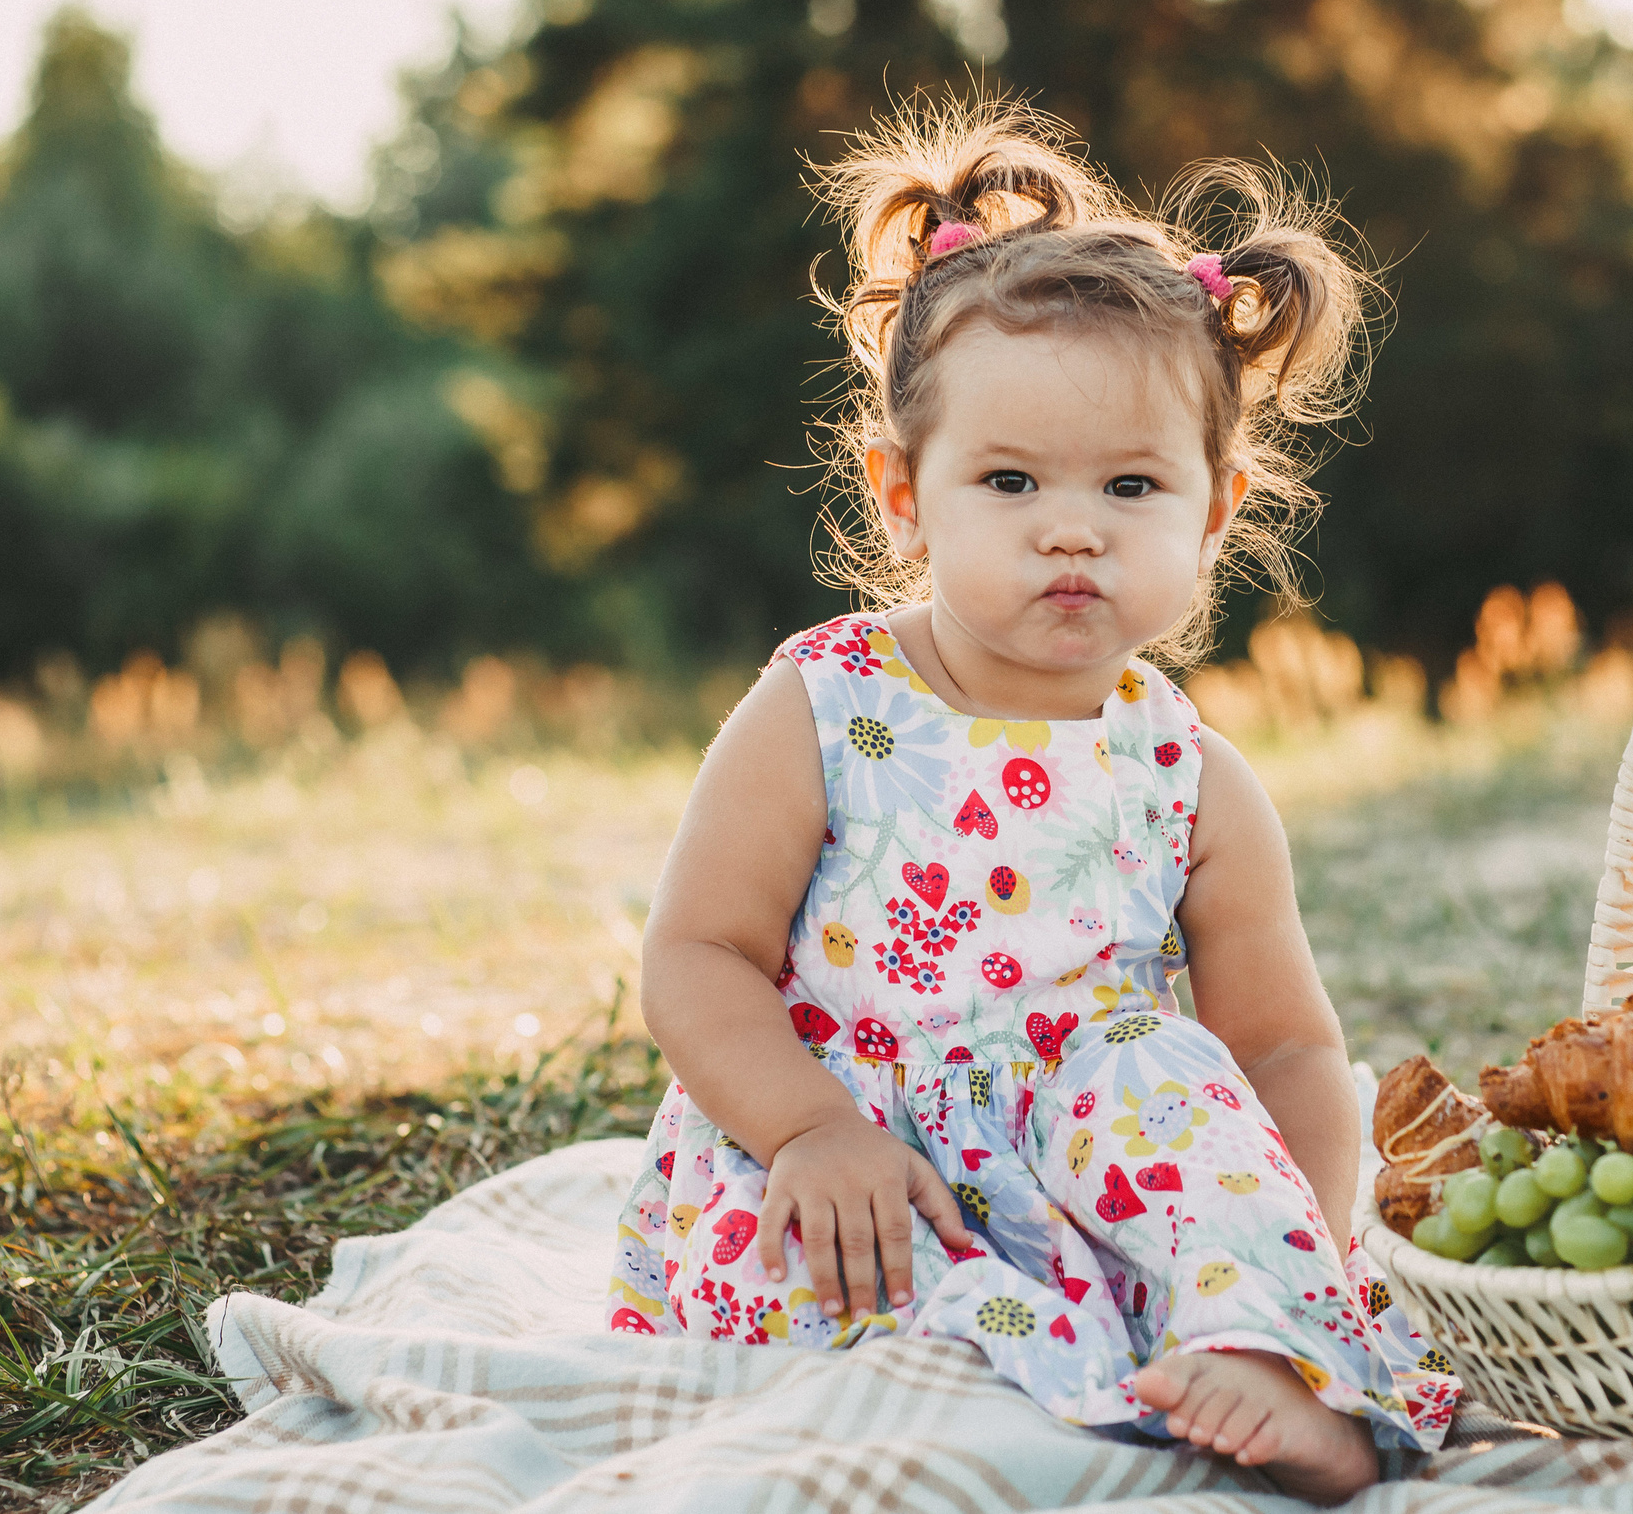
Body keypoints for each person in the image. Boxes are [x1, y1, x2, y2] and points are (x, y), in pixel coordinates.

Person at [607, 100, 1458, 1501]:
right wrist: (808, 1128)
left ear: (1213, 512)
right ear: (903, 494)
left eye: (1132, 484)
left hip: (1097, 1158)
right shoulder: (827, 707)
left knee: (1186, 1088)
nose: (1073, 527)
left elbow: (1287, 1047)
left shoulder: (1187, 771)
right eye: (1008, 481)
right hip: (853, 1146)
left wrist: (1299, 1249)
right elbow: (695, 956)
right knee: (855, 1304)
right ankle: (940, 1389)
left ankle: (1267, 1356)